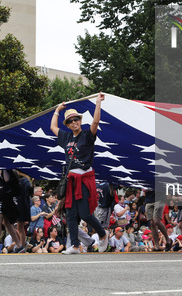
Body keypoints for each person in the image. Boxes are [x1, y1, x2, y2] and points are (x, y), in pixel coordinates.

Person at [49, 93, 109, 255]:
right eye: (70, 121)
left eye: (76, 119)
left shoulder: (87, 136)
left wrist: (98, 103)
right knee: (70, 213)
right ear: (67, 125)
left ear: (80, 121)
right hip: (70, 179)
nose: (74, 122)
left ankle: (103, 234)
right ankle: (75, 245)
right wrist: (57, 110)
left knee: (84, 213)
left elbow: (95, 122)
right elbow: (53, 128)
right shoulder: (66, 136)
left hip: (83, 178)